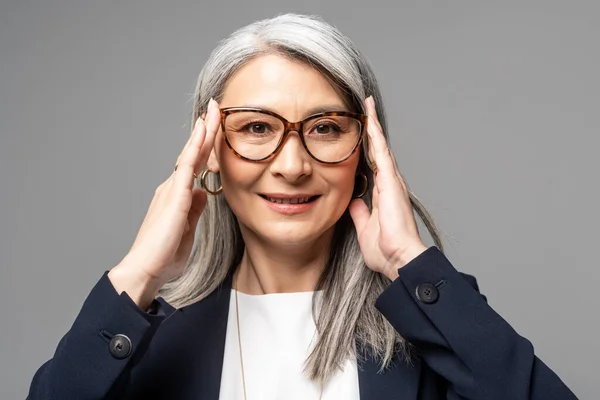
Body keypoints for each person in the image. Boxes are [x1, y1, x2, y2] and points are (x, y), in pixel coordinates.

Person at [27, 13, 577, 400]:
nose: (292, 165)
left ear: (367, 151)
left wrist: (411, 260)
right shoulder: (145, 338)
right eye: (258, 127)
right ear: (209, 148)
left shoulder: (437, 320)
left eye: (327, 128)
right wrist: (138, 274)